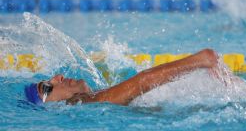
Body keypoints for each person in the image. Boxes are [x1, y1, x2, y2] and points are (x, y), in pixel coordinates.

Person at [25, 49, 218, 105]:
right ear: (55, 106)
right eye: (47, 88)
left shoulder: (98, 96)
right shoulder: (85, 102)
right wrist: (200, 60)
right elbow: (141, 82)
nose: (58, 77)